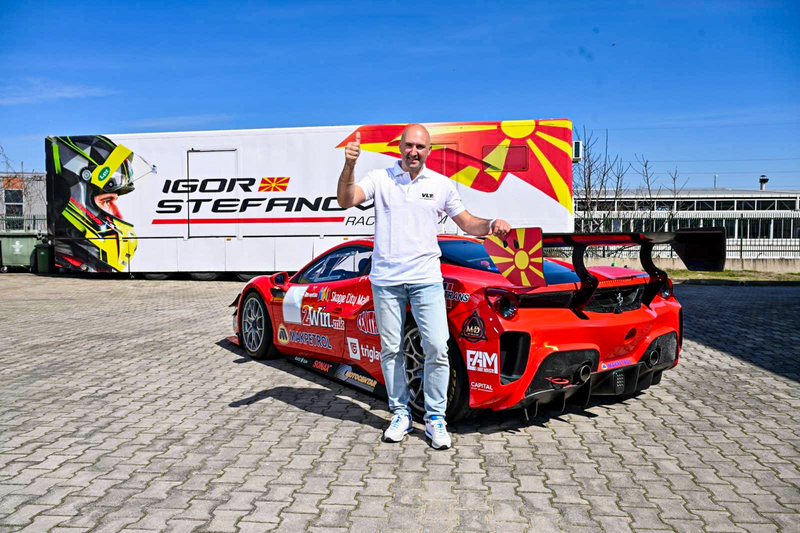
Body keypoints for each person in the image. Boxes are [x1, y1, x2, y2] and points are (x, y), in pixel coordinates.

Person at [337, 124, 510, 450]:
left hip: (426, 280)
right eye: (409, 145)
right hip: (386, 281)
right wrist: (349, 165)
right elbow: (346, 200)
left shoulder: (441, 185)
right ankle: (400, 414)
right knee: (391, 350)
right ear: (400, 147)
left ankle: (434, 419)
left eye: (420, 146)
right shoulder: (380, 178)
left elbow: (467, 222)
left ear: (429, 151)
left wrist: (490, 225)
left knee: (437, 348)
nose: (413, 151)